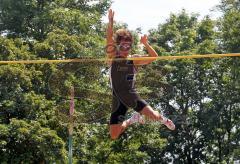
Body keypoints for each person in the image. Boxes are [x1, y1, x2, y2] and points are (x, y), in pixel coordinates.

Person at [106, 9, 175, 140]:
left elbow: (154, 57)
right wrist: (110, 21)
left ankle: (164, 120)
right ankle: (133, 119)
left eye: (128, 46)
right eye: (123, 46)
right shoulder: (112, 56)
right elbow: (109, 37)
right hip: (118, 99)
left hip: (131, 95)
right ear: (118, 46)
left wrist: (145, 44)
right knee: (114, 135)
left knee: (154, 117)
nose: (126, 49)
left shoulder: (135, 59)